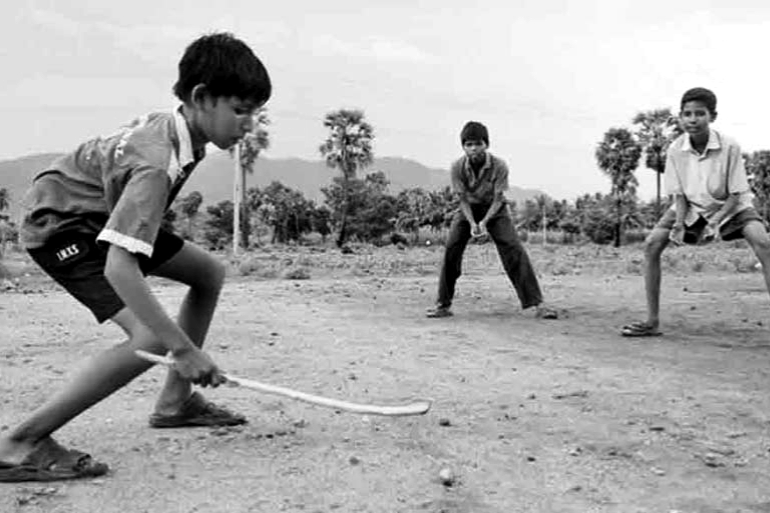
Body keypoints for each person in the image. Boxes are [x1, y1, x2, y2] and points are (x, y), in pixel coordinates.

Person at [0, 32, 271, 481]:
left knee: (207, 273)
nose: (248, 125)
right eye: (239, 110)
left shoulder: (183, 131)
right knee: (150, 340)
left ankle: (175, 403)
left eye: (254, 113)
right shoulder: (157, 161)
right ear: (201, 98)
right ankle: (20, 442)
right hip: (64, 227)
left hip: (101, 212)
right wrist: (182, 349)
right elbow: (119, 267)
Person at [621, 87, 770, 337]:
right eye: (687, 114)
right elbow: (678, 195)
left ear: (713, 116)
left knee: (763, 242)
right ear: (680, 117)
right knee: (651, 244)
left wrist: (716, 221)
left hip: (731, 206)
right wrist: (679, 223)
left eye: (699, 113)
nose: (692, 119)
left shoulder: (729, 146)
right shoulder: (675, 149)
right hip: (690, 206)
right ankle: (652, 321)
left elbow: (736, 194)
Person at [426, 121, 559, 319]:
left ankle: (537, 303)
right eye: (469, 144)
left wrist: (484, 223)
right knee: (451, 249)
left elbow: (498, 200)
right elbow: (462, 200)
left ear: (486, 144)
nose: (474, 149)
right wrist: (472, 223)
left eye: (478, 144)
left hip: (495, 210)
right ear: (463, 146)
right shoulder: (457, 167)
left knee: (513, 248)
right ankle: (443, 305)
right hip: (467, 210)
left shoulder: (499, 165)